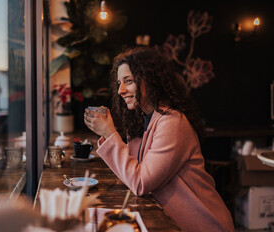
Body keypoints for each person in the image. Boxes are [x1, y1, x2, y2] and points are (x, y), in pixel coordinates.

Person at [84, 47, 235, 232]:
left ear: (151, 81)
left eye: (129, 81)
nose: (121, 90)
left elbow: (141, 183)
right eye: (119, 83)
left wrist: (110, 134)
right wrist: (109, 134)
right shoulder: (140, 121)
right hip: (170, 223)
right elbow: (131, 176)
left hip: (202, 224)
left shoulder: (173, 122)